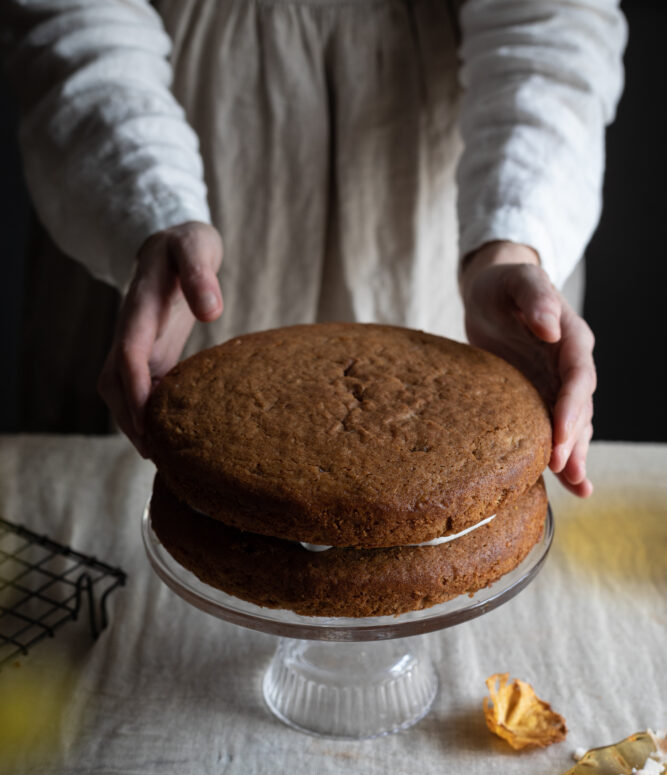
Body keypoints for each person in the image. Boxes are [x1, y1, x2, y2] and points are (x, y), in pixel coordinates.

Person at [4, 0, 626, 497]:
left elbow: (551, 21)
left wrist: (508, 240)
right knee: (140, 499)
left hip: (445, 191)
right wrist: (150, 207)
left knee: (439, 501)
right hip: (149, 140)